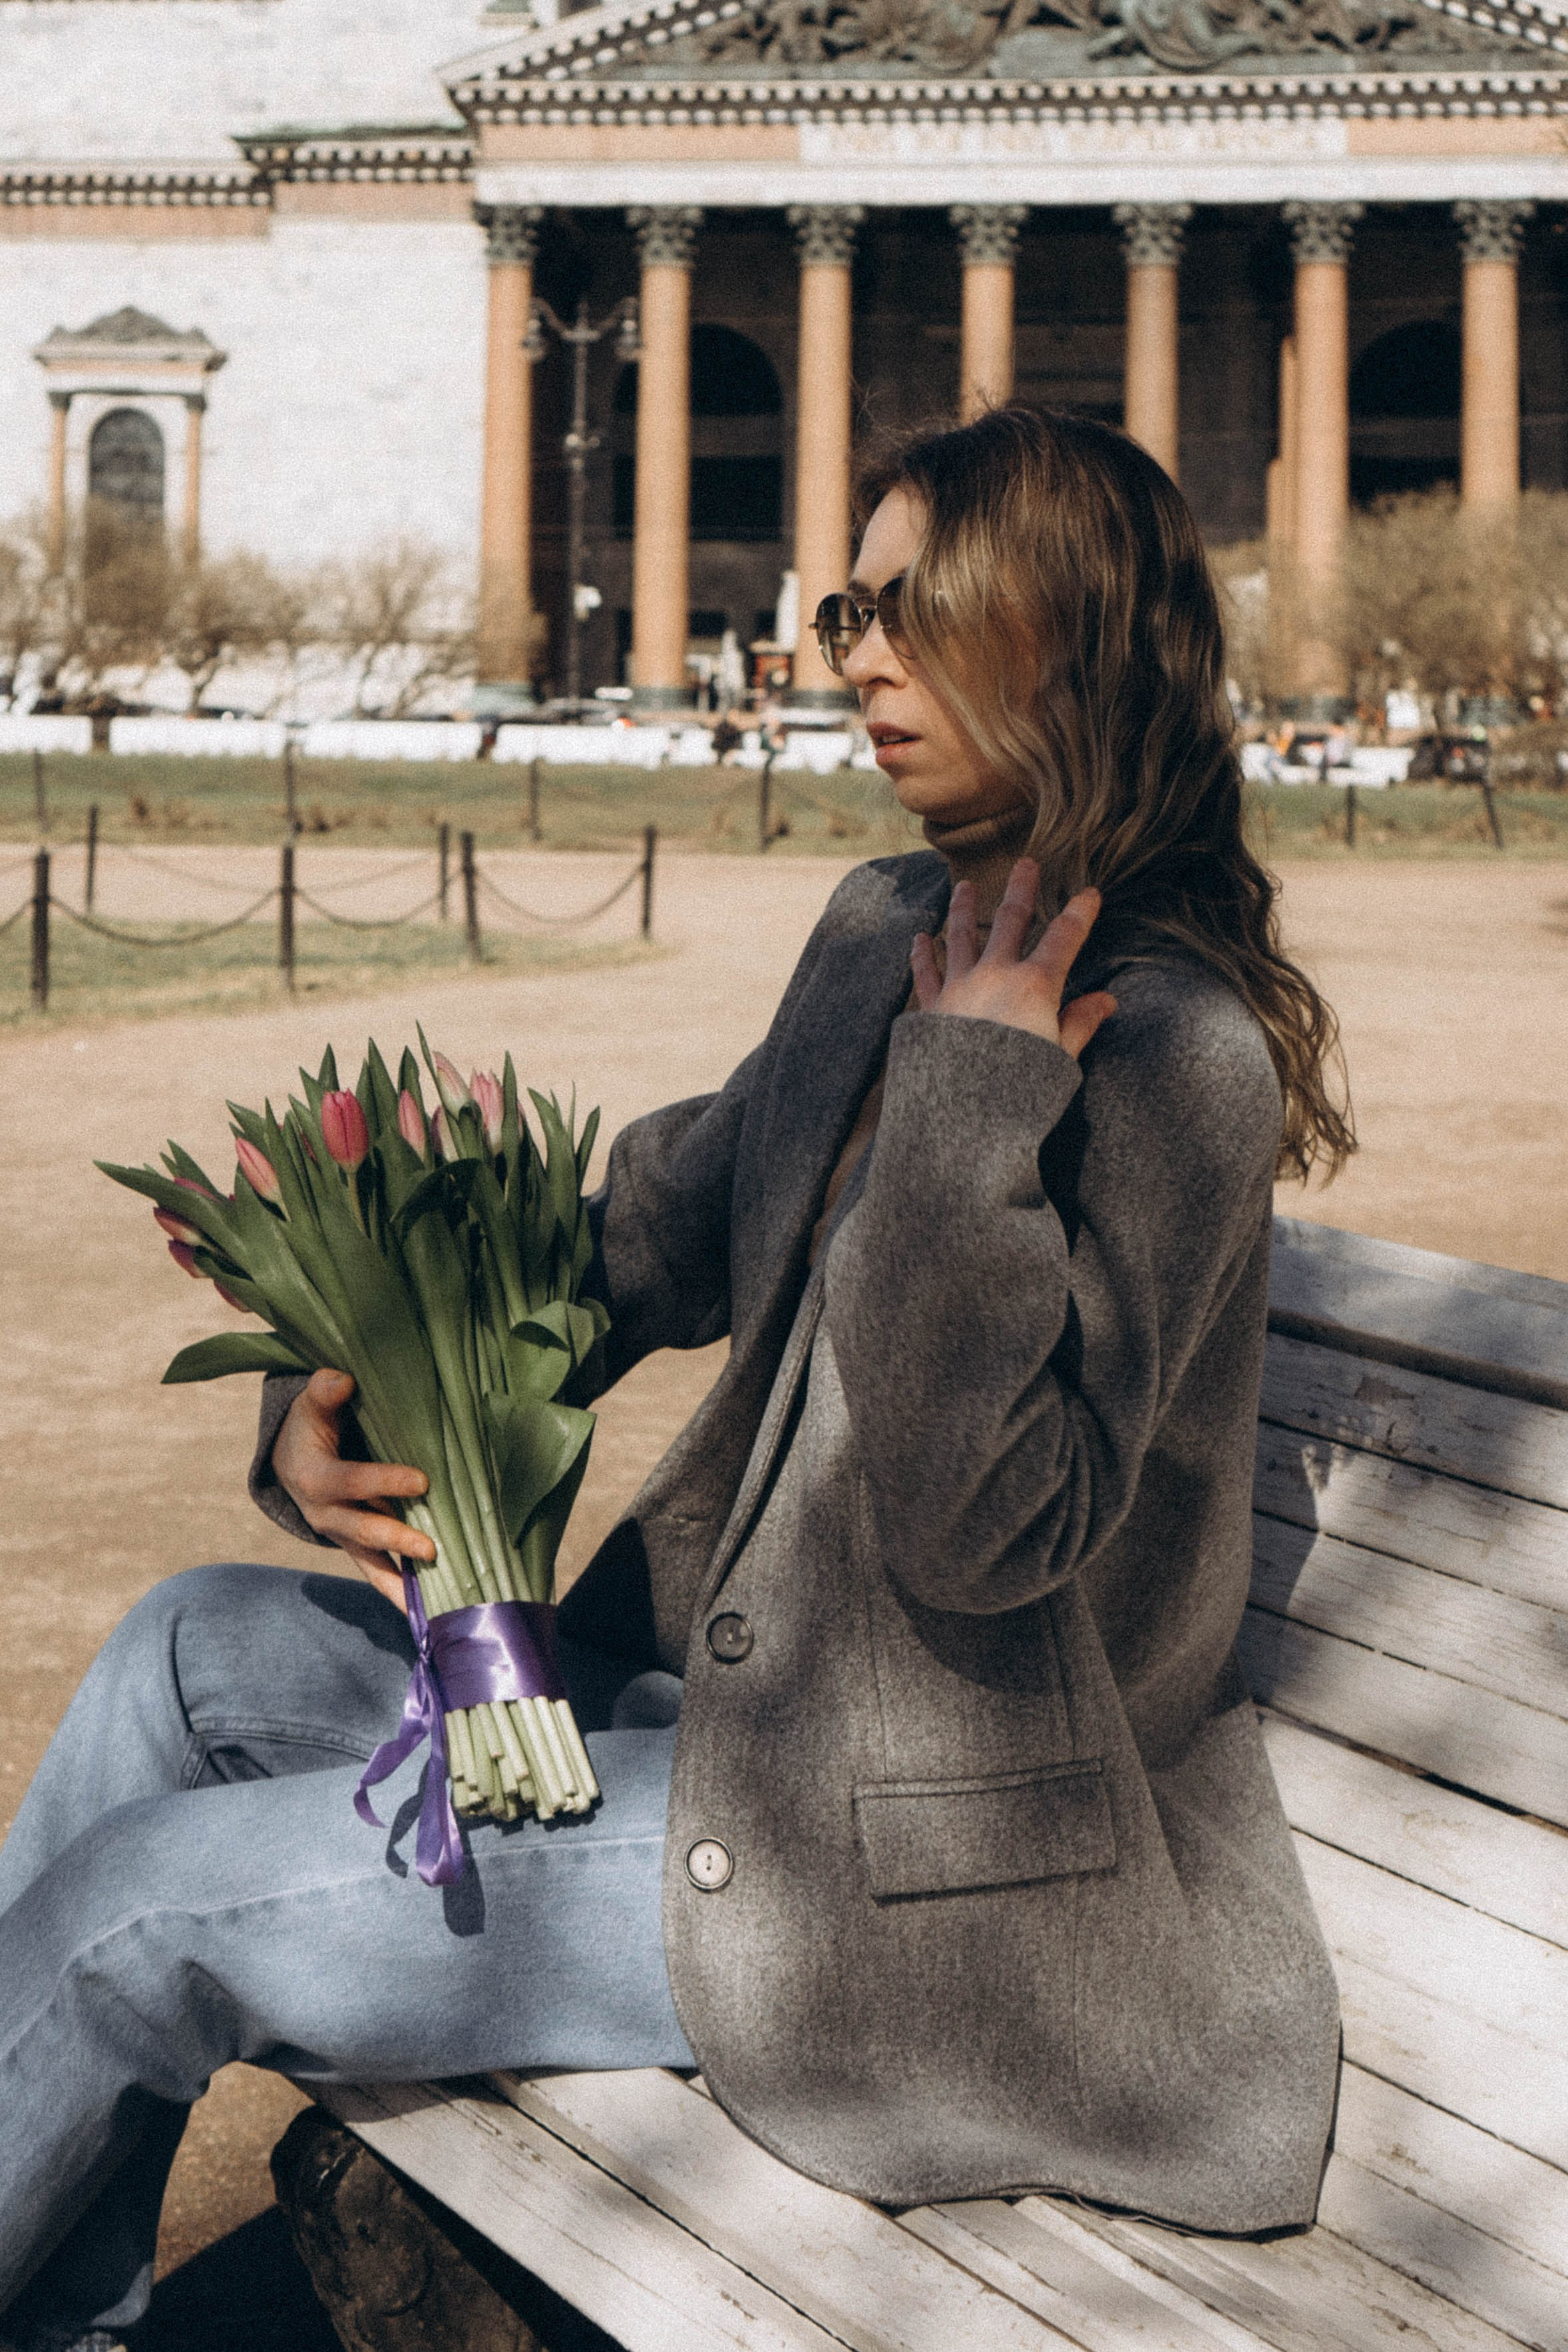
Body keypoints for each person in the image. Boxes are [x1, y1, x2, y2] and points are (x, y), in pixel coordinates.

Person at [0, 407, 1352, 2352]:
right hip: (714, 1722)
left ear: (1075, 639)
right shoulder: (890, 926)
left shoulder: (1175, 1058)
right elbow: (651, 1228)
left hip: (915, 1867)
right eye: (846, 607)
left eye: (912, 612)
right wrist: (354, 1370)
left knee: (154, 1919)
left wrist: (980, 1097)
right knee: (183, 1656)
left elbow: (993, 1538)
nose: (854, 657)